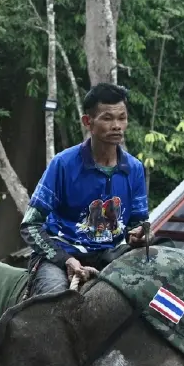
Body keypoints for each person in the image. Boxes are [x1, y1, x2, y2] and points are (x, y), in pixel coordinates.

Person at [21, 82, 152, 297]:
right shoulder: (63, 164)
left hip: (109, 255)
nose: (117, 125)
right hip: (61, 254)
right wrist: (66, 259)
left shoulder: (134, 169)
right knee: (56, 300)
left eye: (122, 118)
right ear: (88, 122)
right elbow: (31, 225)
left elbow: (137, 223)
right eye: (108, 118)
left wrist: (142, 234)